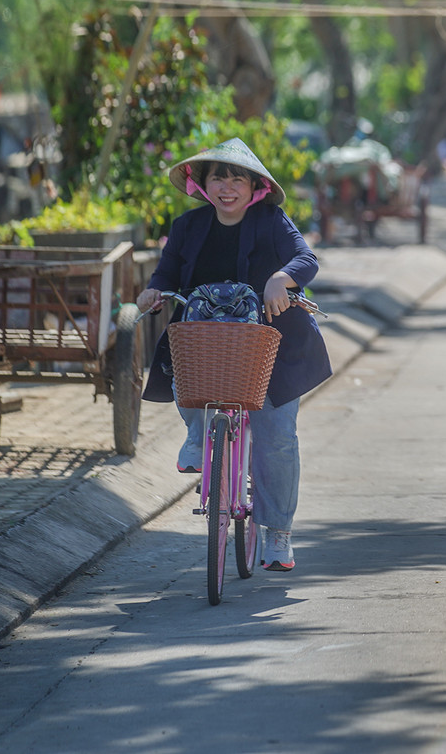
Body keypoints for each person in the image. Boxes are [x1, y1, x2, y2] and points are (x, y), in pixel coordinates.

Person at [137, 138, 332, 572]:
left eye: (236, 178)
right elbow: (166, 272)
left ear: (254, 186)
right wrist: (152, 291)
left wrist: (283, 278)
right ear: (202, 184)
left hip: (272, 344)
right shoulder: (188, 226)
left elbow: (306, 257)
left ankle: (278, 535)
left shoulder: (271, 221)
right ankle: (196, 433)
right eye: (217, 177)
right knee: (180, 361)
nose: (227, 187)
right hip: (207, 344)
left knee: (276, 439)